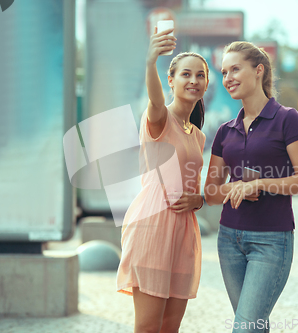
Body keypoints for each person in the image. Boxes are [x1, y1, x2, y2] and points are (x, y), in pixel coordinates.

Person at [204, 41, 298, 332]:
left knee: (245, 327)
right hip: (229, 240)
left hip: (271, 241)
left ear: (258, 71)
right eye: (224, 71)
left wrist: (262, 183)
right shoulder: (224, 131)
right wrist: (236, 188)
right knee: (254, 325)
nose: (227, 77)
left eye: (235, 69)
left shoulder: (288, 120)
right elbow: (212, 193)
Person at [116, 27, 209, 333]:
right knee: (148, 327)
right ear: (171, 80)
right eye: (185, 74)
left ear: (207, 83)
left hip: (184, 231)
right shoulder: (158, 119)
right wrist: (150, 62)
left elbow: (193, 185)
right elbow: (155, 102)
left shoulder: (198, 135)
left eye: (200, 75)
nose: (193, 80)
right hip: (153, 226)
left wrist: (200, 199)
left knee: (170, 327)